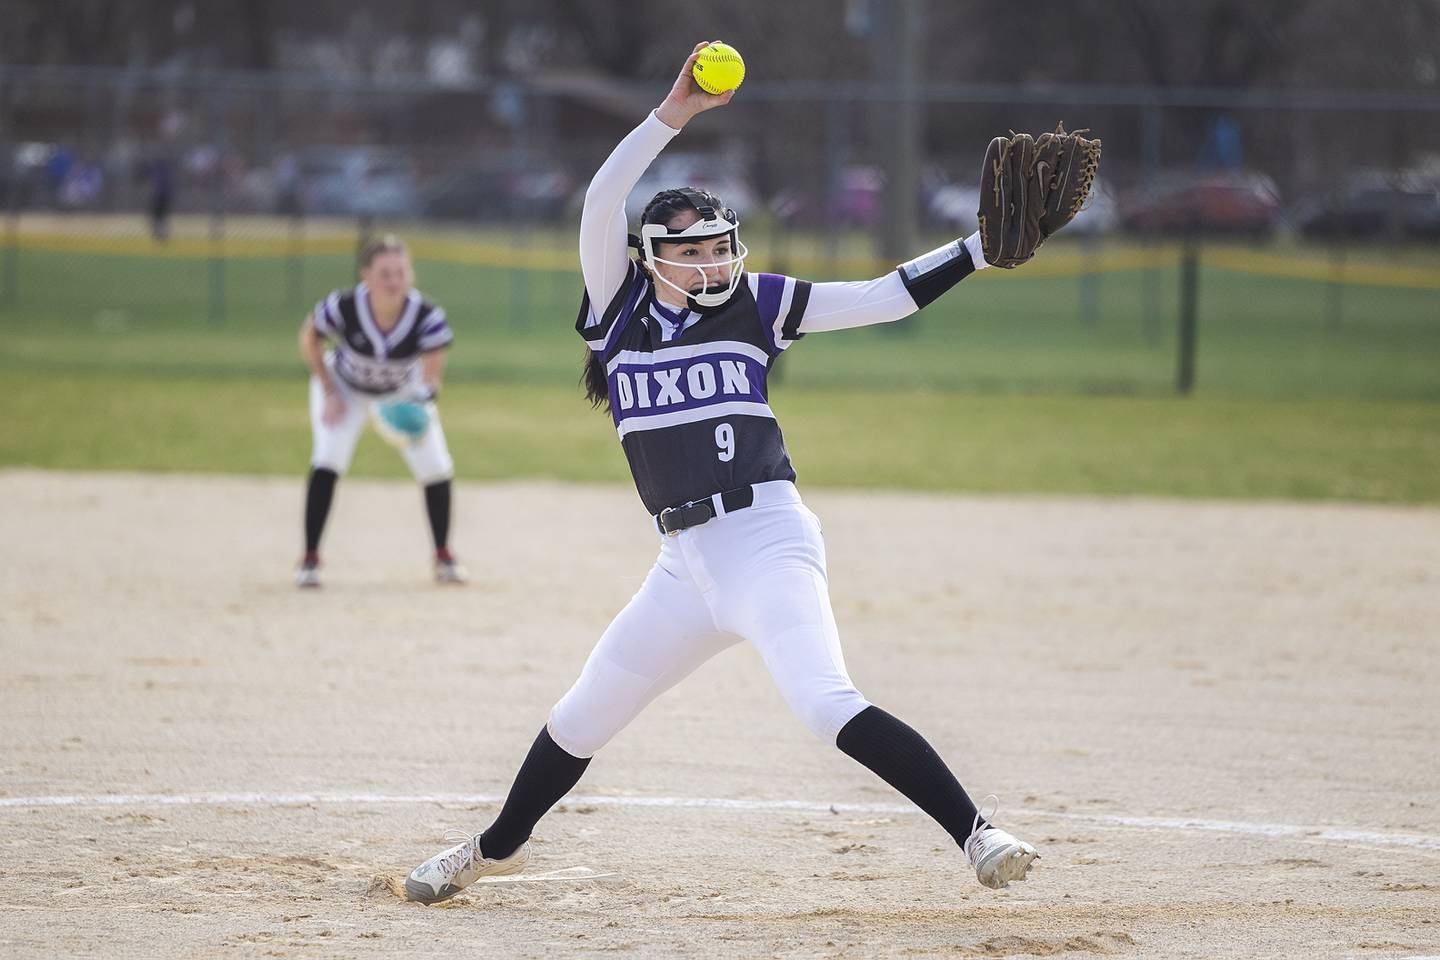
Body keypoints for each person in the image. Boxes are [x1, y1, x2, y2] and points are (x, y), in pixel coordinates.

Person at [405, 43, 1038, 904]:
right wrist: (676, 112)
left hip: (766, 540)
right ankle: (493, 847)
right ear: (653, 256)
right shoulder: (617, 309)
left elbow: (885, 295)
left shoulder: (758, 303)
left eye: (719, 247)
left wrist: (980, 249)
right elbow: (600, 198)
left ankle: (979, 834)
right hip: (684, 566)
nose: (711, 264)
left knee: (823, 703)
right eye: (693, 252)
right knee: (581, 716)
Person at [296, 234, 467, 587]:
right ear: (366, 277)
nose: (394, 281)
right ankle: (310, 558)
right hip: (344, 387)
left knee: (436, 467)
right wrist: (328, 391)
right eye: (385, 273)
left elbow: (432, 371)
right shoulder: (344, 307)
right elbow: (309, 337)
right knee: (329, 458)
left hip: (400, 392)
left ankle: (443, 556)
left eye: (401, 272)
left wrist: (423, 398)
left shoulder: (425, 315)